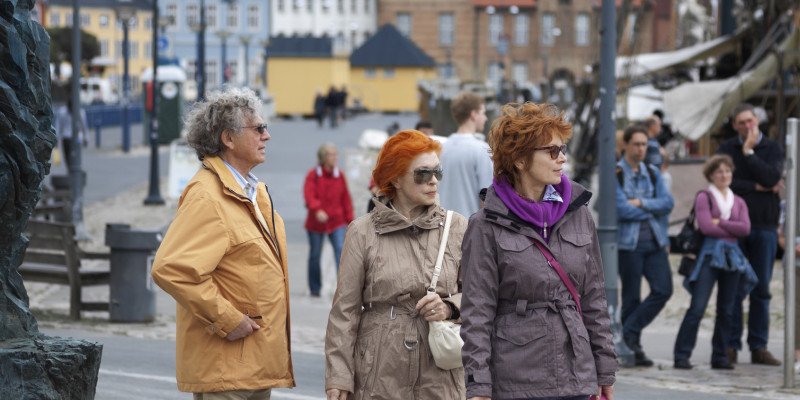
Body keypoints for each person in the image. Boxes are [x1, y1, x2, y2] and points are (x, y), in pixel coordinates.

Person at [461, 103, 617, 400]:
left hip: (576, 374)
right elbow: (477, 312)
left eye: (563, 149)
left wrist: (604, 366)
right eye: (552, 151)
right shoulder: (485, 225)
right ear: (519, 159)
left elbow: (594, 296)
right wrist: (478, 385)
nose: (563, 158)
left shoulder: (578, 213)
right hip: (516, 378)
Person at [151, 88, 294, 398]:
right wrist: (227, 320)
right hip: (227, 370)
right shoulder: (208, 196)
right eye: (258, 128)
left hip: (251, 366)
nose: (266, 135)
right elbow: (172, 269)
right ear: (228, 139)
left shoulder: (249, 191)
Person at [325, 130, 468, 400]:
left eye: (438, 172)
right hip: (379, 372)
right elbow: (345, 311)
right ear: (395, 178)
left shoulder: (457, 227)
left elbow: (481, 296)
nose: (433, 181)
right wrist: (339, 377)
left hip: (440, 375)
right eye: (423, 174)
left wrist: (449, 307)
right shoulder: (362, 231)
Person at [673, 155, 756, 370]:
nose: (724, 175)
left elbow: (746, 229)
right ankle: (681, 355)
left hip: (732, 258)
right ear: (711, 174)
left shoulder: (739, 201)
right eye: (719, 171)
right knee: (698, 307)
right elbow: (706, 227)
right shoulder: (705, 197)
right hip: (709, 256)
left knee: (727, 309)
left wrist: (722, 222)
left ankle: (720, 356)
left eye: (727, 171)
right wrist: (731, 226)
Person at [717, 103, 784, 366]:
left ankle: (759, 346)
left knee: (762, 289)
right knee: (733, 288)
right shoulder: (725, 149)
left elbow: (772, 178)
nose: (747, 126)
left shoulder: (772, 148)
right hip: (734, 227)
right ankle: (731, 344)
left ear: (757, 120)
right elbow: (722, 183)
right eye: (741, 122)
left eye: (750, 121)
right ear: (734, 125)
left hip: (765, 227)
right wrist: (755, 185)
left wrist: (749, 153)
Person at [616, 124, 674, 367]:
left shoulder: (653, 172)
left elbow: (667, 203)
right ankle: (633, 349)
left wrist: (640, 203)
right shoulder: (616, 174)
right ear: (626, 145)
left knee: (663, 289)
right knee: (631, 297)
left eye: (645, 145)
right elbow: (621, 208)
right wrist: (650, 207)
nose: (641, 149)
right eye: (637, 144)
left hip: (656, 242)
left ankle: (628, 333)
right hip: (628, 245)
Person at [303, 142, 354, 297]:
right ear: (324, 157)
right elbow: (309, 195)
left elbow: (346, 198)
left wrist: (350, 220)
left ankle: (343, 287)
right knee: (315, 254)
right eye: (332, 155)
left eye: (336, 154)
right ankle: (315, 287)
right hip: (316, 222)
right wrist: (317, 209)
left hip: (337, 220)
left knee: (340, 251)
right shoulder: (313, 175)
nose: (335, 157)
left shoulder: (340, 175)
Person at [438, 91, 493, 218]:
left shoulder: (440, 148)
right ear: (473, 115)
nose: (485, 118)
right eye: (483, 113)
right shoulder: (482, 150)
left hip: (441, 227)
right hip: (468, 228)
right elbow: (487, 199)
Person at [53, 99, 87, 170]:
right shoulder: (62, 112)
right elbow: (58, 126)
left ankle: (75, 169)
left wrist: (85, 138)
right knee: (67, 156)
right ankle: (70, 170)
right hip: (66, 138)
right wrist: (56, 139)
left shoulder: (80, 112)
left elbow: (84, 126)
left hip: (77, 138)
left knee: (76, 155)